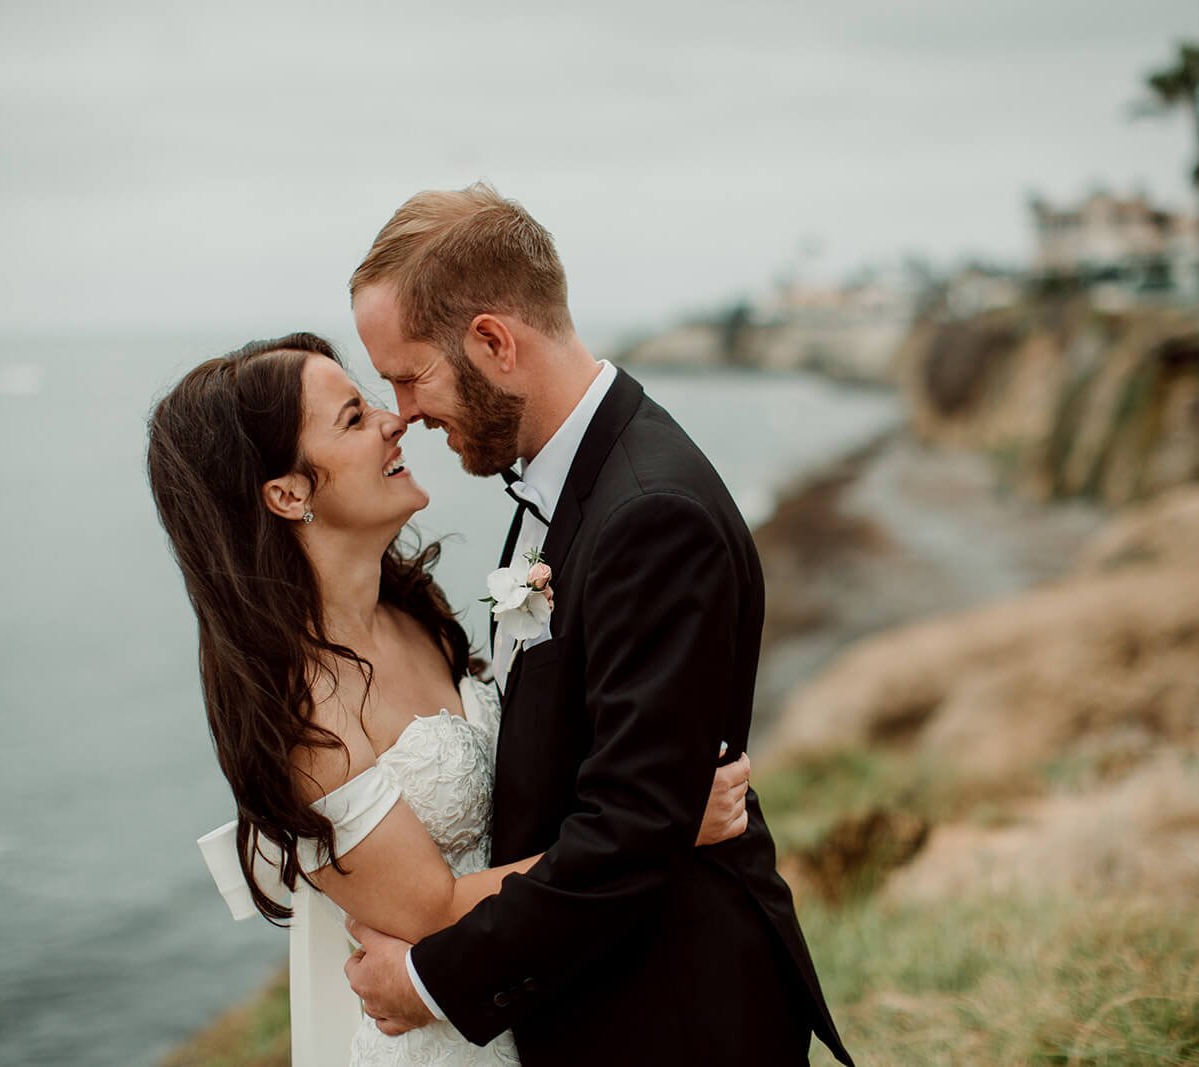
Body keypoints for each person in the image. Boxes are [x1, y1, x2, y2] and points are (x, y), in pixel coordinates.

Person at [343, 184, 854, 1067]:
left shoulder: (651, 514)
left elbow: (628, 833)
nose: (404, 412)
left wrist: (430, 978)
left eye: (408, 373)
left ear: (495, 343)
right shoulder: (563, 480)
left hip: (672, 1014)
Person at [148, 332, 751, 1066]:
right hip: (446, 1039)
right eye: (353, 418)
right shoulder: (301, 706)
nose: (393, 419)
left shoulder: (412, 613)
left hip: (541, 997)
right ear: (287, 492)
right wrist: (660, 826)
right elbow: (431, 909)